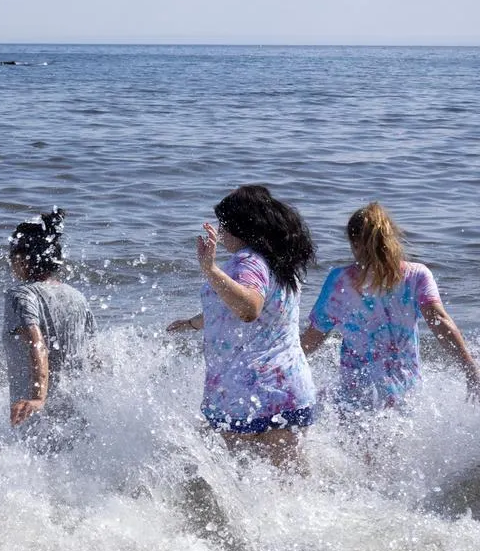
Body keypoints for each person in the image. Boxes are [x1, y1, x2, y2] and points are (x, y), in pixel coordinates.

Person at [167, 185, 317, 465]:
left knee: (231, 477)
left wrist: (210, 269)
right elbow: (232, 310)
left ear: (239, 228)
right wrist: (193, 323)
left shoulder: (248, 262)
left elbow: (249, 309)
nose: (220, 231)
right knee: (290, 484)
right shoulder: (278, 262)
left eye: (222, 224)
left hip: (251, 395)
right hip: (288, 390)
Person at [300, 202, 480, 410]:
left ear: (355, 243)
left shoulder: (339, 280)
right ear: (391, 237)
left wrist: (284, 367)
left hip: (355, 394)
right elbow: (439, 321)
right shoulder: (417, 275)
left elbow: (315, 335)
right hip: (405, 391)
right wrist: (469, 366)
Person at [3, 208, 97, 446]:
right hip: (76, 405)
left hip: (37, 412)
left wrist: (38, 398)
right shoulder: (77, 297)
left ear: (23, 259)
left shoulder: (21, 295)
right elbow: (93, 355)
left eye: (12, 255)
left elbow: (37, 344)